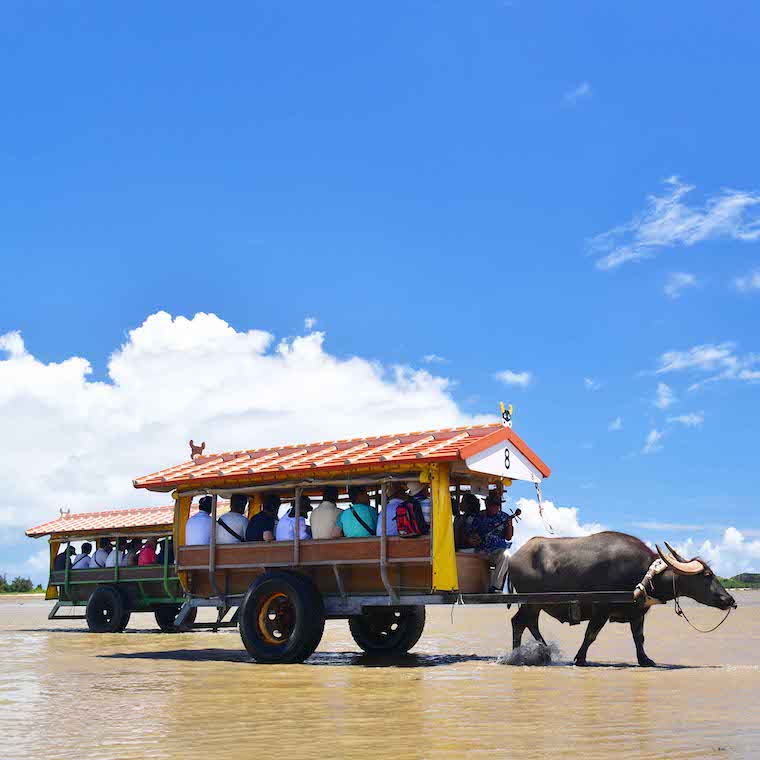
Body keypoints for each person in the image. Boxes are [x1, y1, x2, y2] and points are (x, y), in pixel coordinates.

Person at [473, 490, 513, 593]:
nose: (495, 507)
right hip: (481, 550)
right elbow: (471, 533)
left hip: (497, 551)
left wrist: (509, 524)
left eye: (497, 504)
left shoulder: (504, 517)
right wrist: (475, 538)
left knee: (506, 556)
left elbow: (508, 537)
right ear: (486, 504)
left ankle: (496, 587)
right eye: (492, 504)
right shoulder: (479, 516)